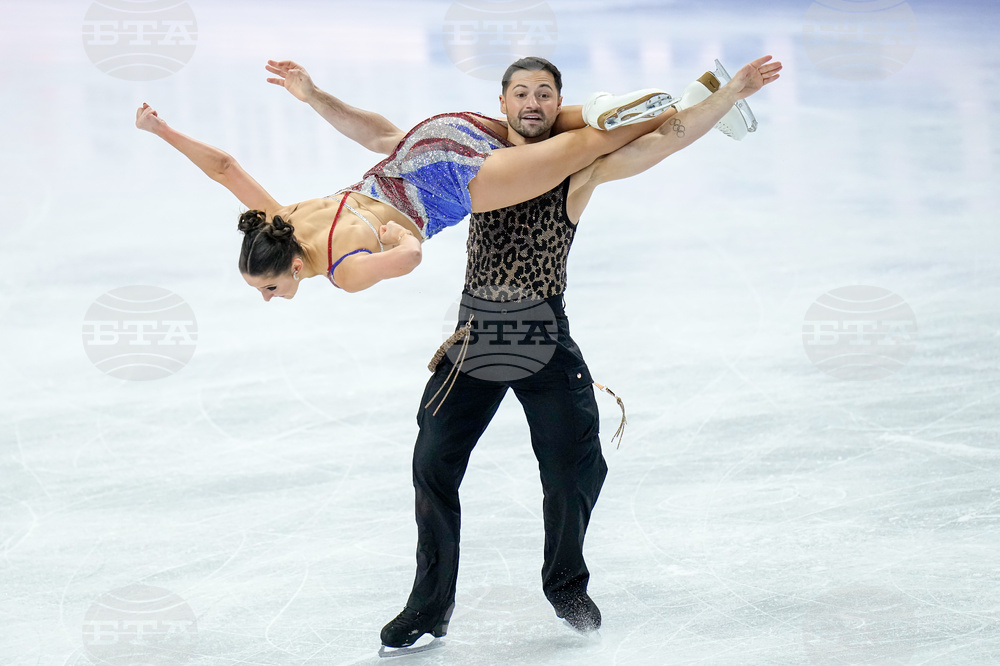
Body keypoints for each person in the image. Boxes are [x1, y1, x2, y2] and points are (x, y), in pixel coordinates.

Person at [283, 54, 781, 654]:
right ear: (503, 104)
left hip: (543, 335)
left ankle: (566, 584)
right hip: (476, 337)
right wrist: (315, 95)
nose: (534, 103)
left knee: (576, 466)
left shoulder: (580, 167)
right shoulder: (473, 157)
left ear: (558, 102)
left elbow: (664, 141)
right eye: (522, 93)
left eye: (546, 94)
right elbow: (385, 137)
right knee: (433, 462)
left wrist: (730, 92)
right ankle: (427, 608)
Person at [134, 76, 674, 297]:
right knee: (548, 125)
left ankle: (682, 108)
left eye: (269, 288)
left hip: (456, 184)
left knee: (586, 150)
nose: (269, 298)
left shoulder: (343, 272)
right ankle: (658, 98)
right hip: (428, 141)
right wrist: (160, 129)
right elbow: (225, 167)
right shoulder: (283, 217)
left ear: (294, 266)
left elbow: (410, 257)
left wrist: (402, 242)